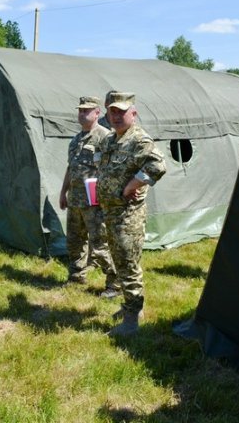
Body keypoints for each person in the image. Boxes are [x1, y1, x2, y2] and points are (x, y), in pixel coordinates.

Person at [97, 91, 167, 336]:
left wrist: (133, 185)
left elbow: (158, 165)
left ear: (133, 113)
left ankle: (131, 322)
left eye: (121, 111)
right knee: (120, 263)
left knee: (128, 264)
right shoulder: (109, 140)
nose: (116, 116)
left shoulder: (139, 139)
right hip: (110, 212)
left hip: (127, 215)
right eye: (112, 111)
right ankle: (131, 308)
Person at [59, 96, 119, 298]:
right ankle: (77, 276)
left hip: (95, 203)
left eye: (87, 110)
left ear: (97, 113)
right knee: (74, 241)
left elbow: (113, 170)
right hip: (75, 200)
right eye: (80, 110)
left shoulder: (106, 138)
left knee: (100, 245)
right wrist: (63, 192)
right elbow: (71, 167)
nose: (82, 114)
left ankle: (114, 283)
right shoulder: (76, 140)